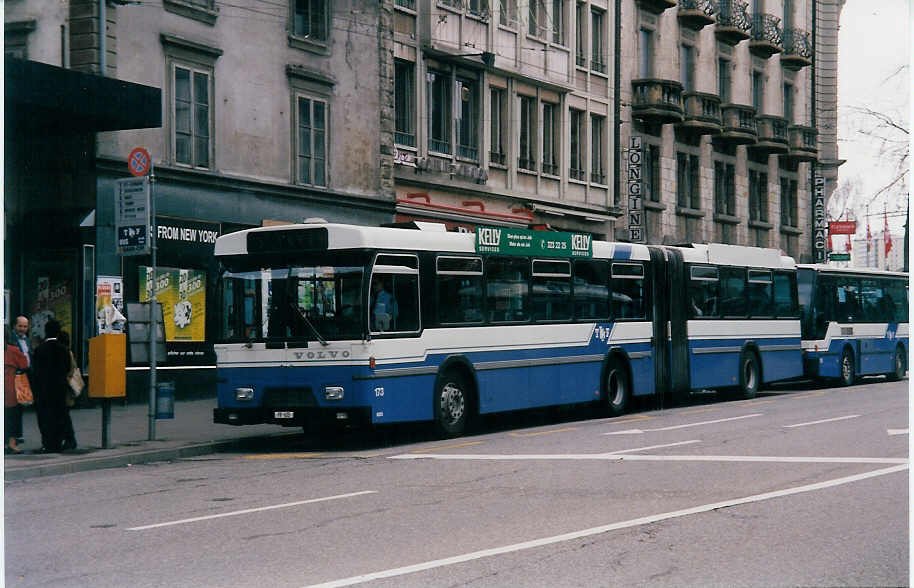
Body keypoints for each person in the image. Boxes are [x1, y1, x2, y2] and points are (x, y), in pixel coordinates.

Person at [31, 319, 71, 453]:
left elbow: (35, 371)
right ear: (58, 332)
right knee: (59, 415)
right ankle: (58, 442)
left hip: (43, 390)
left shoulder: (39, 350)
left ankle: (48, 443)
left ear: (46, 332)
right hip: (59, 389)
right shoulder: (63, 350)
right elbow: (67, 368)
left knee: (45, 417)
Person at [4, 329, 28, 454]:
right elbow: (24, 364)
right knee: (12, 416)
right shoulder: (13, 350)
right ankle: (12, 444)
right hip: (10, 388)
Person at [57, 330, 79, 450]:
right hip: (67, 388)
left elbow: (71, 369)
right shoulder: (68, 351)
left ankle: (70, 439)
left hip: (65, 388)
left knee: (64, 415)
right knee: (65, 414)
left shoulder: (66, 352)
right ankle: (69, 439)